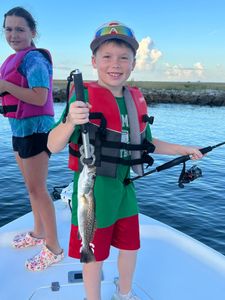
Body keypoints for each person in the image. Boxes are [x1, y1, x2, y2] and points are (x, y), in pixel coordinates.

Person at [47, 21, 203, 299]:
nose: (115, 64)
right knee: (92, 252)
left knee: (131, 246)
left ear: (133, 64)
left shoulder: (134, 101)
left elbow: (148, 143)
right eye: (107, 57)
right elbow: (53, 144)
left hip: (125, 188)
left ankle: (125, 292)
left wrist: (184, 148)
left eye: (123, 58)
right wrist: (71, 121)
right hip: (94, 191)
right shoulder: (82, 102)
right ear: (94, 61)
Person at [0, 7, 63, 271]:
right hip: (20, 130)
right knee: (30, 188)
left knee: (39, 190)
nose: (13, 34)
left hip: (37, 130)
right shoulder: (14, 59)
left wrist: (5, 86)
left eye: (19, 29)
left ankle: (54, 249)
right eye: (8, 29)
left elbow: (39, 97)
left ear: (32, 32)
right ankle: (38, 232)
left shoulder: (34, 60)